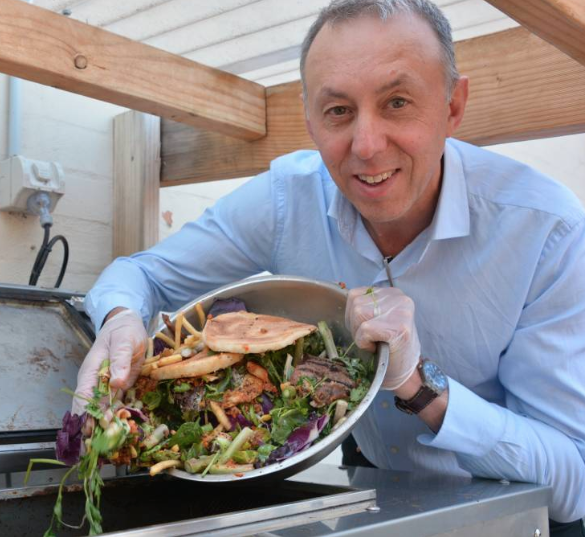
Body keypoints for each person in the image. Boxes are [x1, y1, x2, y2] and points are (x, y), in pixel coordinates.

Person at [73, 0, 585, 533]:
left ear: (454, 106)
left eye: (398, 102)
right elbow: (138, 275)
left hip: (515, 511)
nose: (366, 146)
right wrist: (119, 320)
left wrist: (417, 383)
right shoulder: (283, 199)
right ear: (310, 120)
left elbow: (573, 482)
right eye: (338, 110)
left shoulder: (547, 229)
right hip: (373, 493)